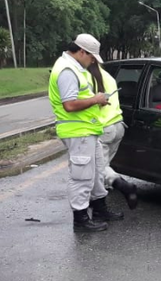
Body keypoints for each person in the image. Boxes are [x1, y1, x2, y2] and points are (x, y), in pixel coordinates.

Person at [49, 34, 122, 233]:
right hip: (77, 131)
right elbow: (70, 104)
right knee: (81, 177)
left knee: (97, 172)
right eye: (91, 57)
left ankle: (100, 210)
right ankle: (80, 219)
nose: (92, 62)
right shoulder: (66, 70)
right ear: (81, 51)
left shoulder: (76, 69)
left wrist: (96, 99)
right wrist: (95, 99)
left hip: (88, 130)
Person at [87, 62, 138, 210]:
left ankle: (123, 186)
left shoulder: (88, 78)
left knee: (99, 167)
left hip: (103, 128)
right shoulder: (108, 76)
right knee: (103, 166)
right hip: (118, 125)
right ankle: (98, 201)